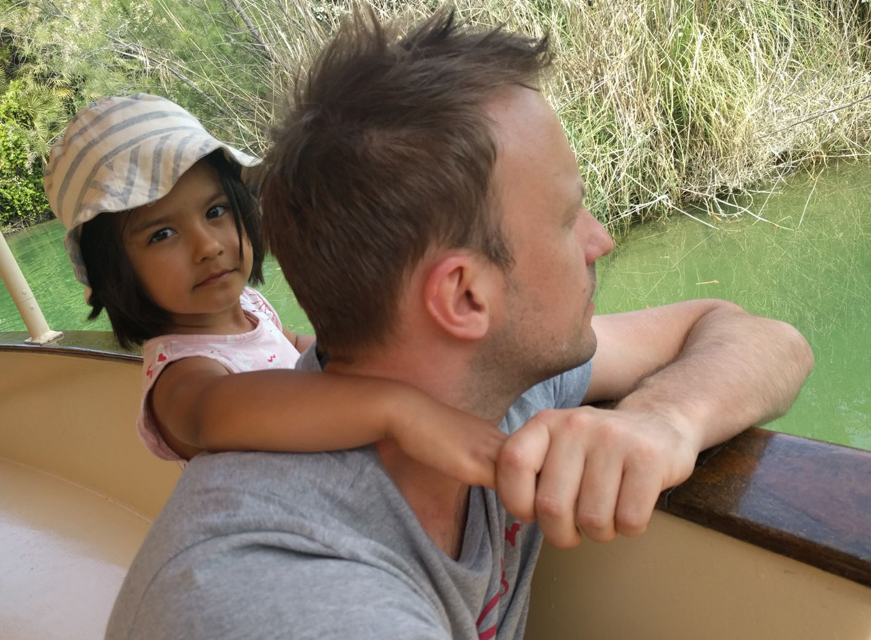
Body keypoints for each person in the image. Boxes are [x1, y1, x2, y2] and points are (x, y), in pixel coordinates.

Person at [105, 11, 813, 640]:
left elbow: (756, 336)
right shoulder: (288, 596)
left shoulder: (498, 392)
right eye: (570, 219)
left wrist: (664, 420)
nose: (601, 241)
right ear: (465, 297)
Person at [43, 93, 505, 483]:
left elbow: (297, 351)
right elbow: (216, 413)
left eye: (216, 211)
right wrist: (395, 408)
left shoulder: (249, 307)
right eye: (161, 234)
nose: (207, 247)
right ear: (114, 272)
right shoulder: (180, 377)